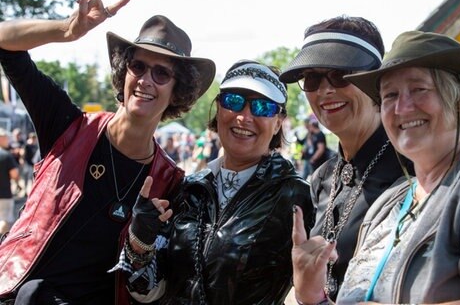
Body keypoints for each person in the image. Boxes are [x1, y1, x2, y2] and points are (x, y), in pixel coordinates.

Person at [291, 31, 460, 304]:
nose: (402, 108)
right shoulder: (392, 201)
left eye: (419, 89)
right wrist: (312, 297)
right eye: (390, 95)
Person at [0, 0, 216, 303]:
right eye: (138, 66)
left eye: (161, 73)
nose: (145, 80)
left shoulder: (170, 184)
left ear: (177, 90)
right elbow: (5, 43)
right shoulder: (68, 127)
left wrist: (141, 239)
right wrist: (68, 30)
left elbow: (156, 283)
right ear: (123, 71)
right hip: (13, 290)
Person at [115, 60, 314, 304]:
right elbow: (148, 292)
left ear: (277, 123)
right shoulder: (189, 188)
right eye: (234, 101)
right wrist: (140, 242)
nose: (244, 116)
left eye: (262, 107)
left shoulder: (295, 196)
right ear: (218, 109)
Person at [279, 15, 410, 300]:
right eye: (312, 79)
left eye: (340, 75)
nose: (326, 90)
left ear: (375, 81)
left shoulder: (414, 169)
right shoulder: (322, 178)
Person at [0, 129, 19, 235]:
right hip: (4, 194)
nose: (8, 140)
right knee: (4, 220)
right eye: (6, 138)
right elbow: (15, 174)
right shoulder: (6, 156)